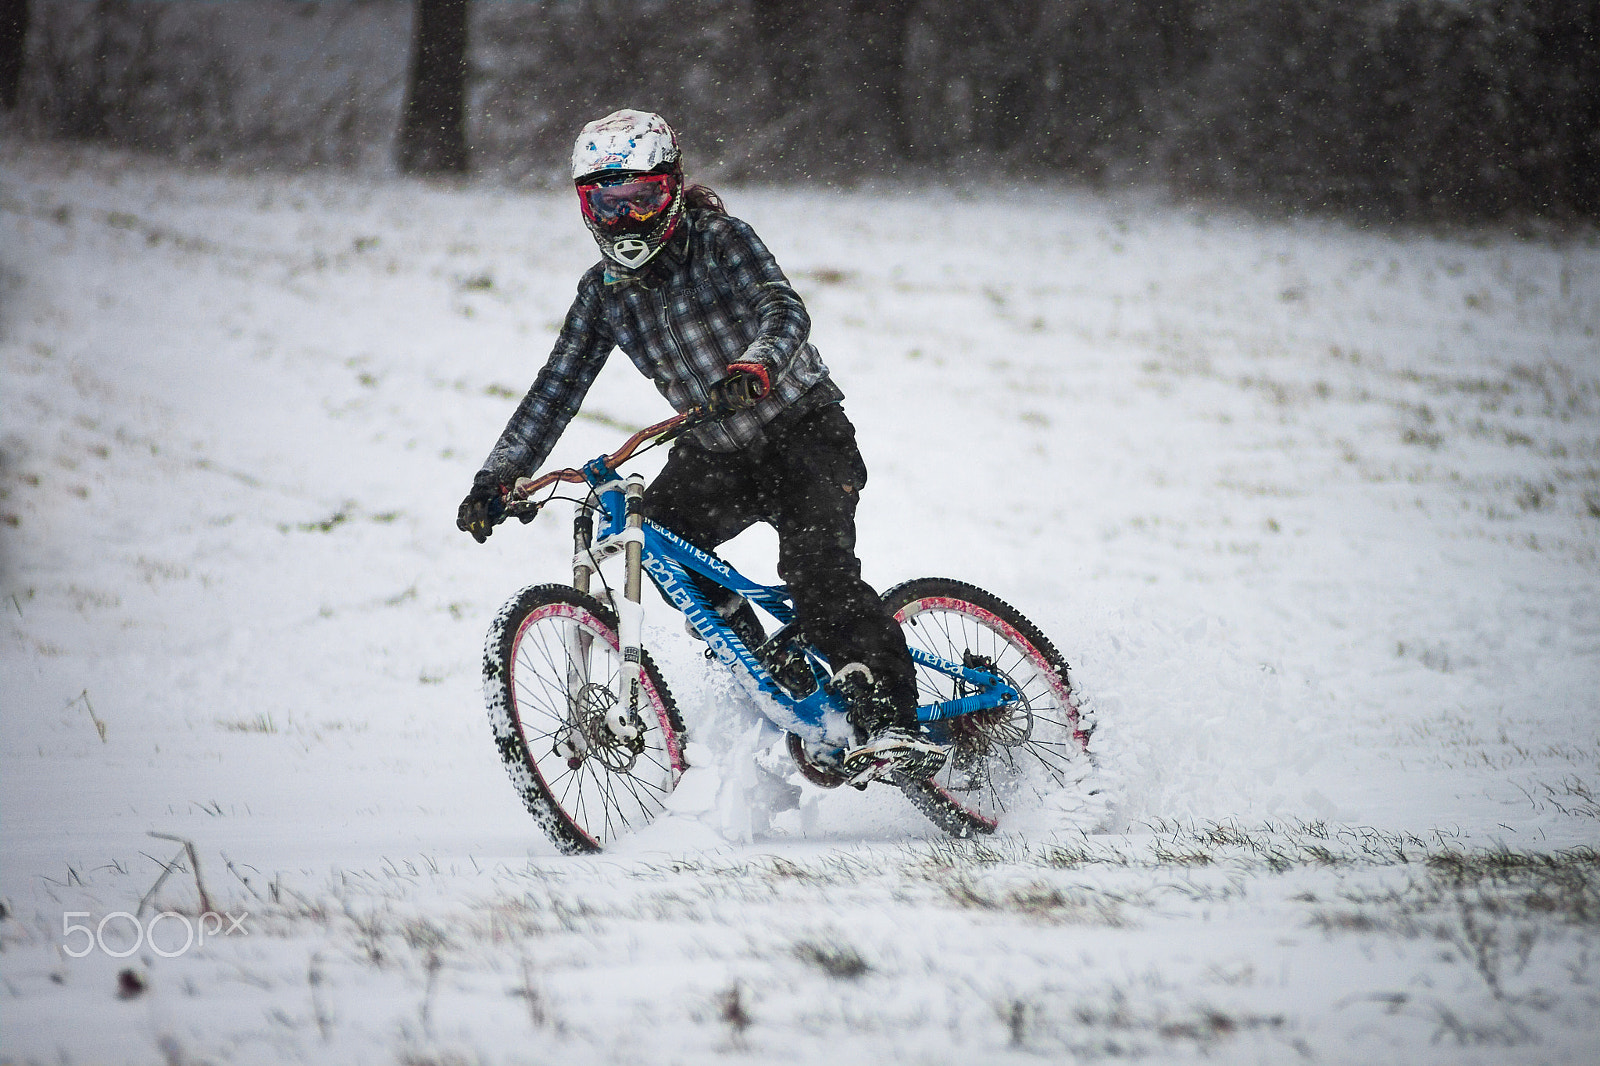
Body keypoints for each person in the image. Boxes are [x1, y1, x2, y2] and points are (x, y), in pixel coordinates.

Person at [456, 109, 944, 780]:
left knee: (818, 579)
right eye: (607, 202)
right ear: (585, 206)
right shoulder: (603, 294)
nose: (625, 221)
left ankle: (892, 719)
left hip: (805, 432)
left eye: (641, 200)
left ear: (674, 188)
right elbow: (557, 387)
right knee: (653, 536)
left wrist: (756, 367)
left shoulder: (721, 240)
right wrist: (499, 475)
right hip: (718, 449)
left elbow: (784, 307)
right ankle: (757, 653)